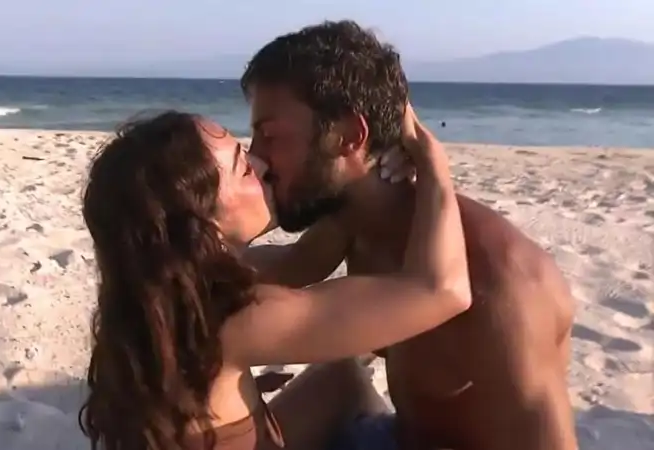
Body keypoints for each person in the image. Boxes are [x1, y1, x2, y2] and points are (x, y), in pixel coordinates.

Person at [242, 20, 578, 450]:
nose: (255, 158)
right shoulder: (352, 223)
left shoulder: (500, 280)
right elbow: (281, 268)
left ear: (349, 136)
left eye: (269, 136)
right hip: (398, 436)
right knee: (339, 377)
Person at [78, 109, 470, 450]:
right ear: (203, 219)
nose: (262, 164)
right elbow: (443, 290)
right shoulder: (237, 317)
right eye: (244, 167)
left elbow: (301, 261)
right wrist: (432, 163)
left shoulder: (162, 293)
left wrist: (357, 178)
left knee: (341, 378)